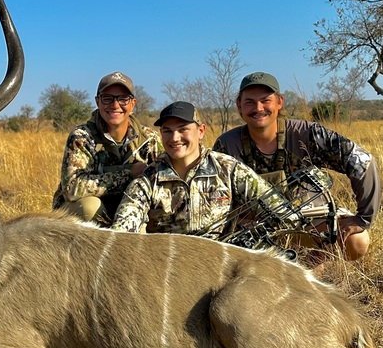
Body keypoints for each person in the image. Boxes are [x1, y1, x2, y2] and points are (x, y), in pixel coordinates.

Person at [214, 72, 380, 260]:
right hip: (256, 230)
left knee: (357, 242)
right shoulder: (226, 144)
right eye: (250, 102)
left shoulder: (307, 133)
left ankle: (318, 263)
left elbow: (362, 160)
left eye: (265, 100)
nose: (258, 108)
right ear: (239, 105)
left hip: (310, 221)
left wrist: (363, 218)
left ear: (279, 102)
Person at [112, 101, 298, 239]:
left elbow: (284, 214)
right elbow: (122, 235)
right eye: (167, 131)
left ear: (201, 131)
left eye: (183, 129)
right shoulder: (147, 180)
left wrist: (249, 230)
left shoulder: (228, 168)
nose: (175, 138)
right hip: (167, 266)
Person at [52, 71, 163, 224]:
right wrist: (129, 174)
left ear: (133, 103)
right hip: (87, 215)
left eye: (123, 99)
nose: (115, 105)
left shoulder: (150, 138)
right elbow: (73, 188)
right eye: (107, 99)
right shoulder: (82, 137)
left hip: (131, 208)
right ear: (97, 102)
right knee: (89, 207)